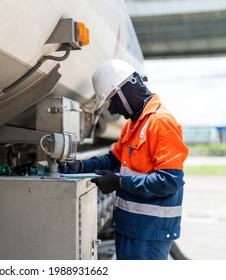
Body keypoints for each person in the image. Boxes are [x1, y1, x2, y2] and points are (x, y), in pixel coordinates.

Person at [63, 59, 189, 260]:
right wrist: (79, 165)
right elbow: (113, 160)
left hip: (148, 233)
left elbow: (170, 181)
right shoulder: (134, 125)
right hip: (131, 228)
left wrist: (119, 182)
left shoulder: (161, 123)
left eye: (112, 101)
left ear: (125, 91)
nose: (112, 110)